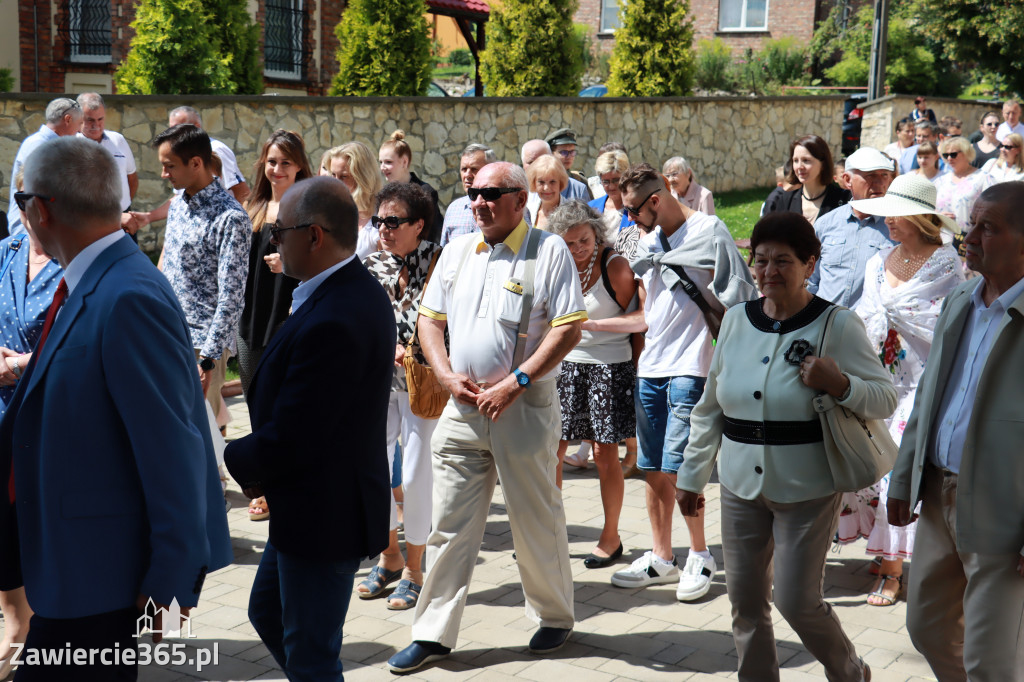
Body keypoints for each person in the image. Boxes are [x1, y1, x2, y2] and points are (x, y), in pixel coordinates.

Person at [0, 136, 232, 680]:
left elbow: (175, 451)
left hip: (99, 582)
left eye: (21, 202)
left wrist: (168, 593)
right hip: (71, 567)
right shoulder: (94, 282)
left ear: (42, 209)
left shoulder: (127, 296)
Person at [676, 211, 896, 682]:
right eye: (760, 260)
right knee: (745, 603)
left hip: (809, 485)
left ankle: (849, 671)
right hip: (739, 484)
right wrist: (691, 476)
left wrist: (840, 384)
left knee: (796, 599)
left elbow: (884, 396)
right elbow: (710, 407)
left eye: (784, 261)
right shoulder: (736, 320)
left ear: (810, 263)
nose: (769, 271)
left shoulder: (836, 323)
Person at [387, 162, 585, 674]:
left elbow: (568, 329)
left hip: (523, 407)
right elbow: (430, 320)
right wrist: (447, 374)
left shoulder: (549, 250)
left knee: (534, 519)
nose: (478, 201)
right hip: (462, 408)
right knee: (448, 525)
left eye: (491, 193)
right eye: (473, 193)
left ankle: (554, 616)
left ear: (520, 200)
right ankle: (432, 634)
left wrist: (515, 383)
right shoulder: (457, 251)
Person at [225, 176, 395, 680]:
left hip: (327, 512)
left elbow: (297, 435)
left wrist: (220, 456)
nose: (273, 242)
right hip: (308, 504)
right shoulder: (334, 292)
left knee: (312, 655)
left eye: (280, 232)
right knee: (271, 615)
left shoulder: (336, 316)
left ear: (314, 236)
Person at [887, 182, 1024, 681]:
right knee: (927, 626)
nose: (970, 237)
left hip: (1005, 510)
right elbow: (929, 396)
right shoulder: (964, 298)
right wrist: (903, 478)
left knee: (992, 660)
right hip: (938, 490)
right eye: (972, 224)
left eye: (989, 228)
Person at [610, 164, 756, 602]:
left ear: (656, 200)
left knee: (682, 469)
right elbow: (650, 311)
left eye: (633, 210)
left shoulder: (709, 230)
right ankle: (661, 557)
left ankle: (699, 554)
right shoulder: (645, 240)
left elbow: (740, 298)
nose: (629, 219)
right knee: (652, 467)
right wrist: (597, 325)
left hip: (693, 367)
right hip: (651, 366)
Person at [834, 174, 964, 607]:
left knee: (895, 476)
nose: (888, 222)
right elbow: (863, 317)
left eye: (896, 214)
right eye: (885, 214)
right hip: (878, 380)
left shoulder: (946, 264)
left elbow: (945, 325)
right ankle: (881, 546)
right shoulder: (879, 262)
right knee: (862, 465)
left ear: (921, 218)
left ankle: (892, 573)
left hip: (922, 384)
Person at [357, 183, 442, 610]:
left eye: (394, 222)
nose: (384, 229)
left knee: (415, 474)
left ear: (419, 225)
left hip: (422, 385)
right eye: (379, 221)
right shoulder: (371, 265)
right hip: (377, 382)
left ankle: (415, 567)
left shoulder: (441, 263)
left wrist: (413, 350)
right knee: (374, 469)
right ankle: (389, 556)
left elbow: (448, 324)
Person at [548, 200, 637, 567]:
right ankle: (546, 532)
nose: (576, 249)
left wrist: (637, 370)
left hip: (609, 366)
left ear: (595, 232)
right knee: (551, 451)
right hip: (566, 366)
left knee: (604, 454)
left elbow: (638, 323)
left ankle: (611, 536)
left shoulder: (614, 266)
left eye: (583, 240)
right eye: (567, 243)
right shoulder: (559, 264)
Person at [0, 169, 61, 677]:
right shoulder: (7, 252)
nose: (26, 206)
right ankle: (15, 622)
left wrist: (18, 364)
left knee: (37, 524)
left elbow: (78, 345)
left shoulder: (74, 262)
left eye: (33, 196)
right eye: (20, 195)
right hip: (1, 415)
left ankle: (40, 627)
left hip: (49, 418)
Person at [154, 124, 251, 434]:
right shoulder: (177, 207)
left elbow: (232, 297)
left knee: (199, 438)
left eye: (169, 166)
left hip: (200, 347)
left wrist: (208, 360)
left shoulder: (231, 218)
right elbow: (167, 268)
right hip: (166, 334)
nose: (163, 174)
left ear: (195, 163)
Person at [129, 105, 250, 233]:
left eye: (179, 129)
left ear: (197, 127)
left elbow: (242, 193)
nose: (173, 135)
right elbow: (178, 200)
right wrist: (149, 217)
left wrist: (239, 229)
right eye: (171, 129)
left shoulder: (216, 150)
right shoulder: (178, 206)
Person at [808, 147, 896, 308]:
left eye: (884, 175)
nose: (879, 182)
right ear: (847, 180)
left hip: (868, 329)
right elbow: (811, 279)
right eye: (870, 175)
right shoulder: (826, 224)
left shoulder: (897, 228)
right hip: (824, 322)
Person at [6, 98, 82, 237]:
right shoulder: (40, 147)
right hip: (30, 233)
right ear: (68, 119)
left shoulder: (46, 145)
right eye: (79, 124)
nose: (79, 130)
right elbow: (33, 199)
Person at [75, 93, 139, 237]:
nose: (96, 125)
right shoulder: (70, 146)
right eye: (90, 120)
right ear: (79, 118)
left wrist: (122, 209)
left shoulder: (118, 140)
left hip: (123, 222)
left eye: (100, 119)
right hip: (89, 226)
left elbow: (132, 179)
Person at [763, 135, 850, 225]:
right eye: (795, 160)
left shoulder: (843, 200)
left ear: (823, 164)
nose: (800, 166)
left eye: (806, 160)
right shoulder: (786, 200)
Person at [379, 130, 444, 243]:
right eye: (381, 162)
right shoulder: (384, 194)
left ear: (404, 162)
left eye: (388, 162)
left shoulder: (425, 192)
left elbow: (434, 234)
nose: (382, 167)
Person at [323, 142, 383, 259]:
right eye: (333, 175)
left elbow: (387, 271)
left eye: (343, 176)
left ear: (363, 178)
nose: (336, 182)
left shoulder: (382, 220)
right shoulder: (329, 214)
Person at [935, 136, 993, 243]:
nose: (949, 158)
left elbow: (993, 209)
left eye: (953, 154)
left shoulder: (983, 178)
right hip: (941, 241)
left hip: (970, 241)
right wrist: (937, 215)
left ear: (966, 153)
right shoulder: (940, 181)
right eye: (946, 155)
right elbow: (928, 210)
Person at [440, 143, 496, 246]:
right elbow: (444, 253)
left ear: (490, 169)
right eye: (464, 169)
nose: (467, 175)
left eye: (474, 169)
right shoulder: (454, 209)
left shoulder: (504, 206)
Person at [588, 150, 634, 247]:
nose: (611, 186)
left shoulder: (636, 207)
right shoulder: (591, 207)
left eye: (615, 180)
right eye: (606, 181)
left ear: (625, 177)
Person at [521, 139, 590, 200]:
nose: (536, 166)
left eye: (541, 161)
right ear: (523, 163)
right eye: (530, 162)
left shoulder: (578, 189)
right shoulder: (517, 191)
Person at [546, 128, 593, 200]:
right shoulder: (542, 182)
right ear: (551, 153)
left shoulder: (580, 181)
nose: (569, 156)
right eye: (563, 152)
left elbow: (590, 209)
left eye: (572, 152)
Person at [526, 154, 567, 230]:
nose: (546, 188)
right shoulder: (528, 211)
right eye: (541, 182)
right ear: (533, 182)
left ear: (560, 182)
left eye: (552, 182)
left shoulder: (571, 213)